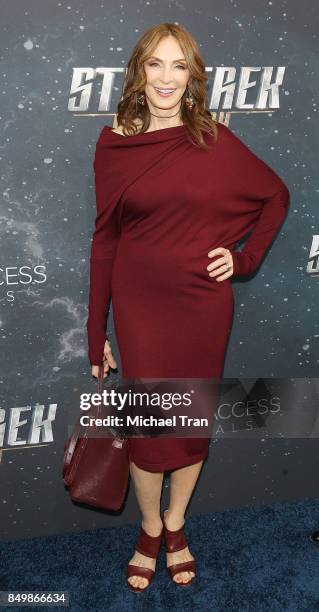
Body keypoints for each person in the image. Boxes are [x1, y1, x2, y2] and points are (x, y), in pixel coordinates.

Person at [86, 23, 290, 592]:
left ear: (193, 77)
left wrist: (243, 260)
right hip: (139, 304)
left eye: (180, 66)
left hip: (201, 303)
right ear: (139, 72)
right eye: (156, 65)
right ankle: (149, 528)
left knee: (191, 421)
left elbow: (276, 195)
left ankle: (177, 525)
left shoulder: (212, 138)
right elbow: (104, 239)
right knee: (152, 428)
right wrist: (94, 325)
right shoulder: (114, 142)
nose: (167, 78)